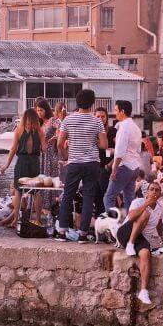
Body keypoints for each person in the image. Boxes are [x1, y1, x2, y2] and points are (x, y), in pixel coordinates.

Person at [55, 89, 108, 243]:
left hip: (74, 163)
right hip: (92, 163)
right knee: (88, 197)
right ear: (92, 103)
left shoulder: (68, 120)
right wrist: (93, 141)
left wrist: (66, 155)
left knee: (67, 196)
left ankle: (62, 232)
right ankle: (83, 234)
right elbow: (104, 144)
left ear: (76, 102)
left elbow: (59, 143)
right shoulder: (96, 121)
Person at [117, 181, 163, 308]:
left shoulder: (160, 207)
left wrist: (162, 237)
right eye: (152, 189)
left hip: (141, 237)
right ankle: (130, 244)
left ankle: (143, 291)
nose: (154, 192)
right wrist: (146, 204)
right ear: (147, 192)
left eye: (157, 190)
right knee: (146, 213)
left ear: (160, 194)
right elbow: (131, 216)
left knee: (145, 253)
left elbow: (159, 224)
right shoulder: (138, 202)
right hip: (126, 232)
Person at [0, 108, 46, 227]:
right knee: (36, 192)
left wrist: (6, 165)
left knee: (18, 191)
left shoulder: (19, 131)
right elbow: (44, 149)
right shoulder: (40, 131)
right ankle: (38, 219)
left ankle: (15, 220)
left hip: (22, 162)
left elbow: (13, 149)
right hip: (34, 162)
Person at [104, 100, 141, 212]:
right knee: (129, 199)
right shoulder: (136, 127)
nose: (115, 113)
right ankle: (131, 226)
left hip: (124, 166)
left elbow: (120, 153)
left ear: (122, 111)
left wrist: (114, 170)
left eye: (116, 110)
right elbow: (135, 149)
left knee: (108, 198)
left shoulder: (123, 128)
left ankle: (112, 225)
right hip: (135, 167)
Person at [95, 107, 117, 216]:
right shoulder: (92, 132)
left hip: (107, 169)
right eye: (97, 116)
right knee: (96, 198)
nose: (100, 119)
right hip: (94, 168)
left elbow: (120, 150)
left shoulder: (113, 131)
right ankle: (99, 225)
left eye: (102, 116)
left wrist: (110, 165)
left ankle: (111, 221)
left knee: (107, 196)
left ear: (107, 117)